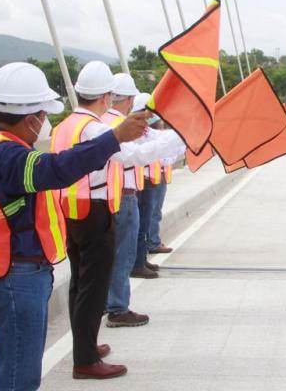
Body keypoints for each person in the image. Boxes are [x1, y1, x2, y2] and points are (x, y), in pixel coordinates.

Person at [0, 62, 148, 390]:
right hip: (15, 274)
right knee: (19, 376)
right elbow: (56, 169)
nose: (45, 121)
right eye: (43, 114)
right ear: (31, 118)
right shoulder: (8, 155)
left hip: (17, 271)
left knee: (19, 366)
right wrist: (113, 138)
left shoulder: (3, 149)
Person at [52, 62, 186, 379]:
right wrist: (181, 137)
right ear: (105, 97)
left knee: (80, 284)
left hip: (71, 208)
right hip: (94, 210)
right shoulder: (95, 128)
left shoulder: (67, 125)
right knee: (94, 286)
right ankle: (85, 360)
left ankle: (85, 344)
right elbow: (132, 156)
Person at [101, 76, 183, 319]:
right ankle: (117, 307)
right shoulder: (122, 125)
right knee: (123, 255)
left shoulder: (101, 122)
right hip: (123, 194)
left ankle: (107, 302)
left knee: (109, 254)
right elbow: (141, 152)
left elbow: (153, 139)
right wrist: (185, 133)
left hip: (107, 196)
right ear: (128, 100)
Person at [131, 93, 182, 277]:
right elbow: (158, 146)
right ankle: (138, 263)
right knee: (141, 224)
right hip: (142, 182)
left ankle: (141, 259)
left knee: (145, 223)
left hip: (149, 181)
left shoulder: (145, 131)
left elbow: (161, 138)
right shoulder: (134, 131)